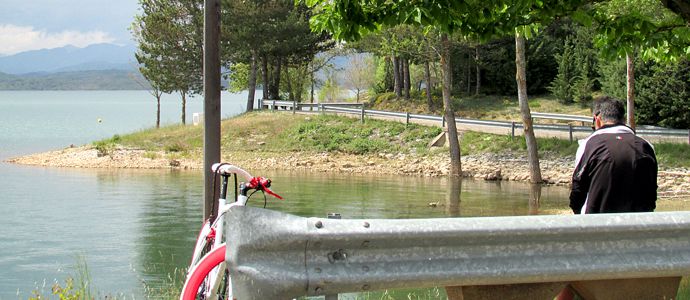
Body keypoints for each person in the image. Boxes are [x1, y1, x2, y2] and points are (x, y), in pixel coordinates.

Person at [569, 96, 658, 214]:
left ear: (597, 119)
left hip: (598, 224)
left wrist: (577, 214)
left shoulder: (588, 145)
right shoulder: (645, 146)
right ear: (624, 119)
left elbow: (578, 189)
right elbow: (652, 190)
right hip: (639, 224)